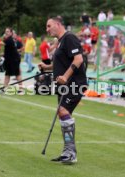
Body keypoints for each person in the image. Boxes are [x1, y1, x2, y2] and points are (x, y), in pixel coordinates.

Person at [39, 17, 87, 164]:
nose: (47, 29)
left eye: (49, 26)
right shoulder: (60, 41)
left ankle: (71, 153)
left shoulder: (69, 37)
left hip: (74, 83)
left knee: (63, 111)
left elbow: (78, 59)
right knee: (63, 114)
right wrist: (46, 67)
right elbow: (61, 63)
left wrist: (65, 77)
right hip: (64, 86)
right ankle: (68, 151)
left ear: (58, 24)